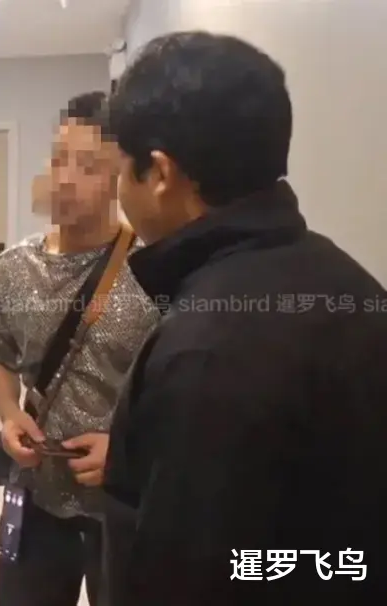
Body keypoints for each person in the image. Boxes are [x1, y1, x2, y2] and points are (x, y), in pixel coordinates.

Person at [103, 31, 387, 605]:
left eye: (120, 168)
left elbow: (191, 577)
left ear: (159, 174)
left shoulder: (206, 352)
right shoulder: (352, 285)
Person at [0, 92, 158, 606]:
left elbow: (182, 391)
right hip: (38, 496)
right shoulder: (12, 268)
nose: (67, 178)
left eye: (89, 166)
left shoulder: (155, 270)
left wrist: (127, 450)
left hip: (124, 505)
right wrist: (10, 415)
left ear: (120, 176)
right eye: (59, 160)